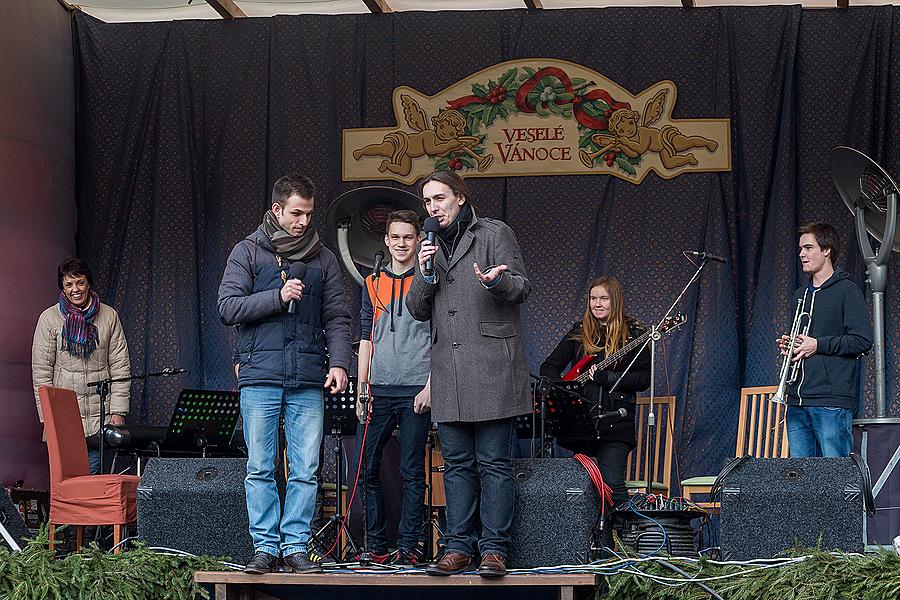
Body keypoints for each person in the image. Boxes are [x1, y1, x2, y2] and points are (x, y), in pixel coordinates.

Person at [218, 174, 352, 574]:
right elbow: (227, 307)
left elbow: (338, 317)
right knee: (260, 467)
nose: (303, 222)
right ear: (277, 210)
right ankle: (265, 547)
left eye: (309, 215)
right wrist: (277, 297)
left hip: (308, 377)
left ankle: (295, 545)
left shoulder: (323, 258)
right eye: (296, 213)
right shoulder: (248, 252)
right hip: (260, 377)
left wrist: (340, 363)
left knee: (306, 469)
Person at [406, 169, 531, 578]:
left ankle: (494, 549)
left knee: (494, 462)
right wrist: (424, 274)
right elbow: (416, 309)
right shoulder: (429, 247)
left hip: (492, 365)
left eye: (439, 198)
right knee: (457, 464)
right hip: (449, 370)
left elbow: (521, 287)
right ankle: (457, 546)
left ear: (459, 197)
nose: (433, 207)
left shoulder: (493, 234)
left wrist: (498, 282)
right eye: (427, 201)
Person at [355, 209, 432, 566]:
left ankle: (410, 546)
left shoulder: (429, 280)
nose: (401, 243)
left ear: (418, 240)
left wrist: (431, 385)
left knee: (412, 472)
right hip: (378, 388)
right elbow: (365, 338)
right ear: (386, 241)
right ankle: (377, 545)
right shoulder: (370, 282)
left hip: (416, 385)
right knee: (367, 468)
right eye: (395, 237)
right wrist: (361, 387)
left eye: (408, 237)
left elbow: (441, 338)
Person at [539, 276, 650, 509]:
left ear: (615, 301)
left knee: (612, 487)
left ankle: (619, 541)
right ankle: (589, 543)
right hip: (582, 423)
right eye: (593, 298)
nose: (597, 304)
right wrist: (565, 390)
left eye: (604, 298)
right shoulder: (580, 331)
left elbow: (643, 379)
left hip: (616, 424)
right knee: (582, 488)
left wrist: (607, 378)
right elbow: (548, 367)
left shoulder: (635, 332)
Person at [777, 222, 872, 457]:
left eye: (808, 248)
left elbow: (862, 341)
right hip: (797, 401)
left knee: (834, 478)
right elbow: (804, 341)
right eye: (800, 249)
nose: (801, 254)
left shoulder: (847, 291)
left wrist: (817, 344)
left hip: (831, 401)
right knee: (803, 479)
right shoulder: (800, 295)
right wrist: (792, 347)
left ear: (826, 250)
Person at [32, 258, 131, 475]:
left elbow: (120, 365)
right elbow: (41, 373)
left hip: (99, 416)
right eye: (69, 284)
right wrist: (47, 416)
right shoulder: (49, 319)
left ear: (89, 283)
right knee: (67, 483)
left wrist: (118, 411)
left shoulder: (109, 316)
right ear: (63, 287)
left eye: (80, 282)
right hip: (63, 416)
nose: (75, 289)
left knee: (92, 479)